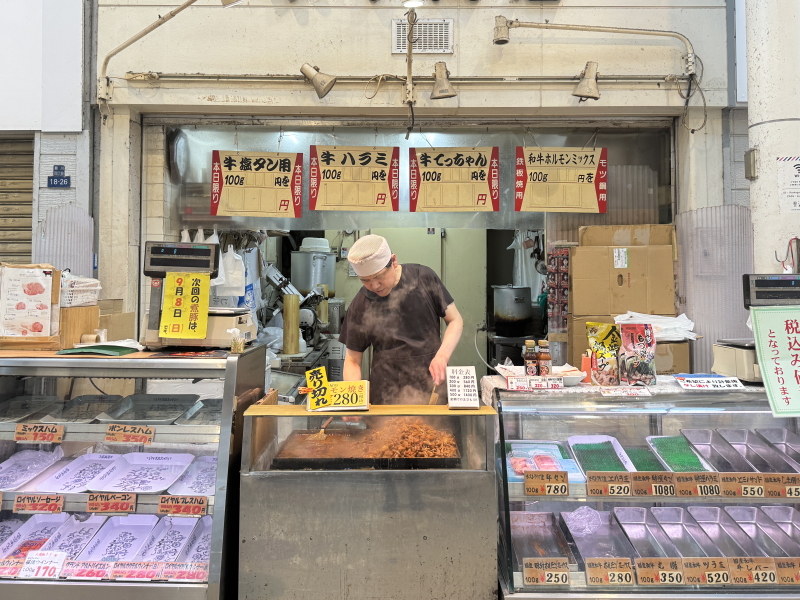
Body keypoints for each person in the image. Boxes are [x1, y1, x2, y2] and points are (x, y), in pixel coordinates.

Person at [339, 234, 463, 405]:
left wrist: (442, 356)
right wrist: (352, 402)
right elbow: (352, 360)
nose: (374, 286)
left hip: (431, 386)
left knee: (439, 432)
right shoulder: (361, 303)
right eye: (365, 281)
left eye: (379, 277)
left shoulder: (423, 278)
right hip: (385, 394)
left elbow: (455, 321)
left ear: (394, 261)